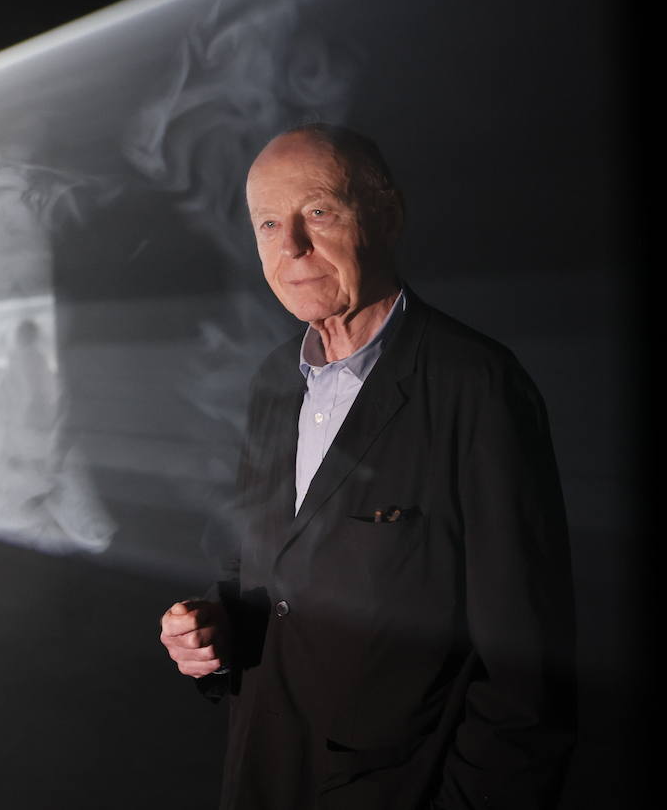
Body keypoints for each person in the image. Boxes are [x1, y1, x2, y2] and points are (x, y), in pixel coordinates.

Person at [158, 124, 575, 809]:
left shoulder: (477, 386)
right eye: (268, 222)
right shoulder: (273, 383)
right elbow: (258, 575)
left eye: (318, 212)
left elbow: (528, 682)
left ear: (387, 215)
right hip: (263, 778)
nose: (290, 246)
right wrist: (213, 632)